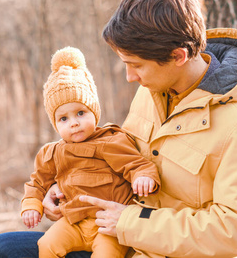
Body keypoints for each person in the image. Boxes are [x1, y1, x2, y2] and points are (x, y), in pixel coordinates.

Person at [0, 0, 237, 258]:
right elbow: (117, 158)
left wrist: (132, 223)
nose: (130, 77)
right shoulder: (152, 89)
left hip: (163, 250)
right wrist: (65, 185)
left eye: (136, 65)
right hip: (113, 239)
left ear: (178, 56)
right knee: (1, 251)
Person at [20, 46, 160, 258]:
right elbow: (37, 183)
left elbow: (136, 164)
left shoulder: (110, 141)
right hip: (73, 223)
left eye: (80, 113)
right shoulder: (52, 152)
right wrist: (32, 205)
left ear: (94, 111)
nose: (74, 123)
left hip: (108, 224)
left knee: (106, 255)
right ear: (55, 124)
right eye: (64, 119)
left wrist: (142, 177)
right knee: (47, 244)